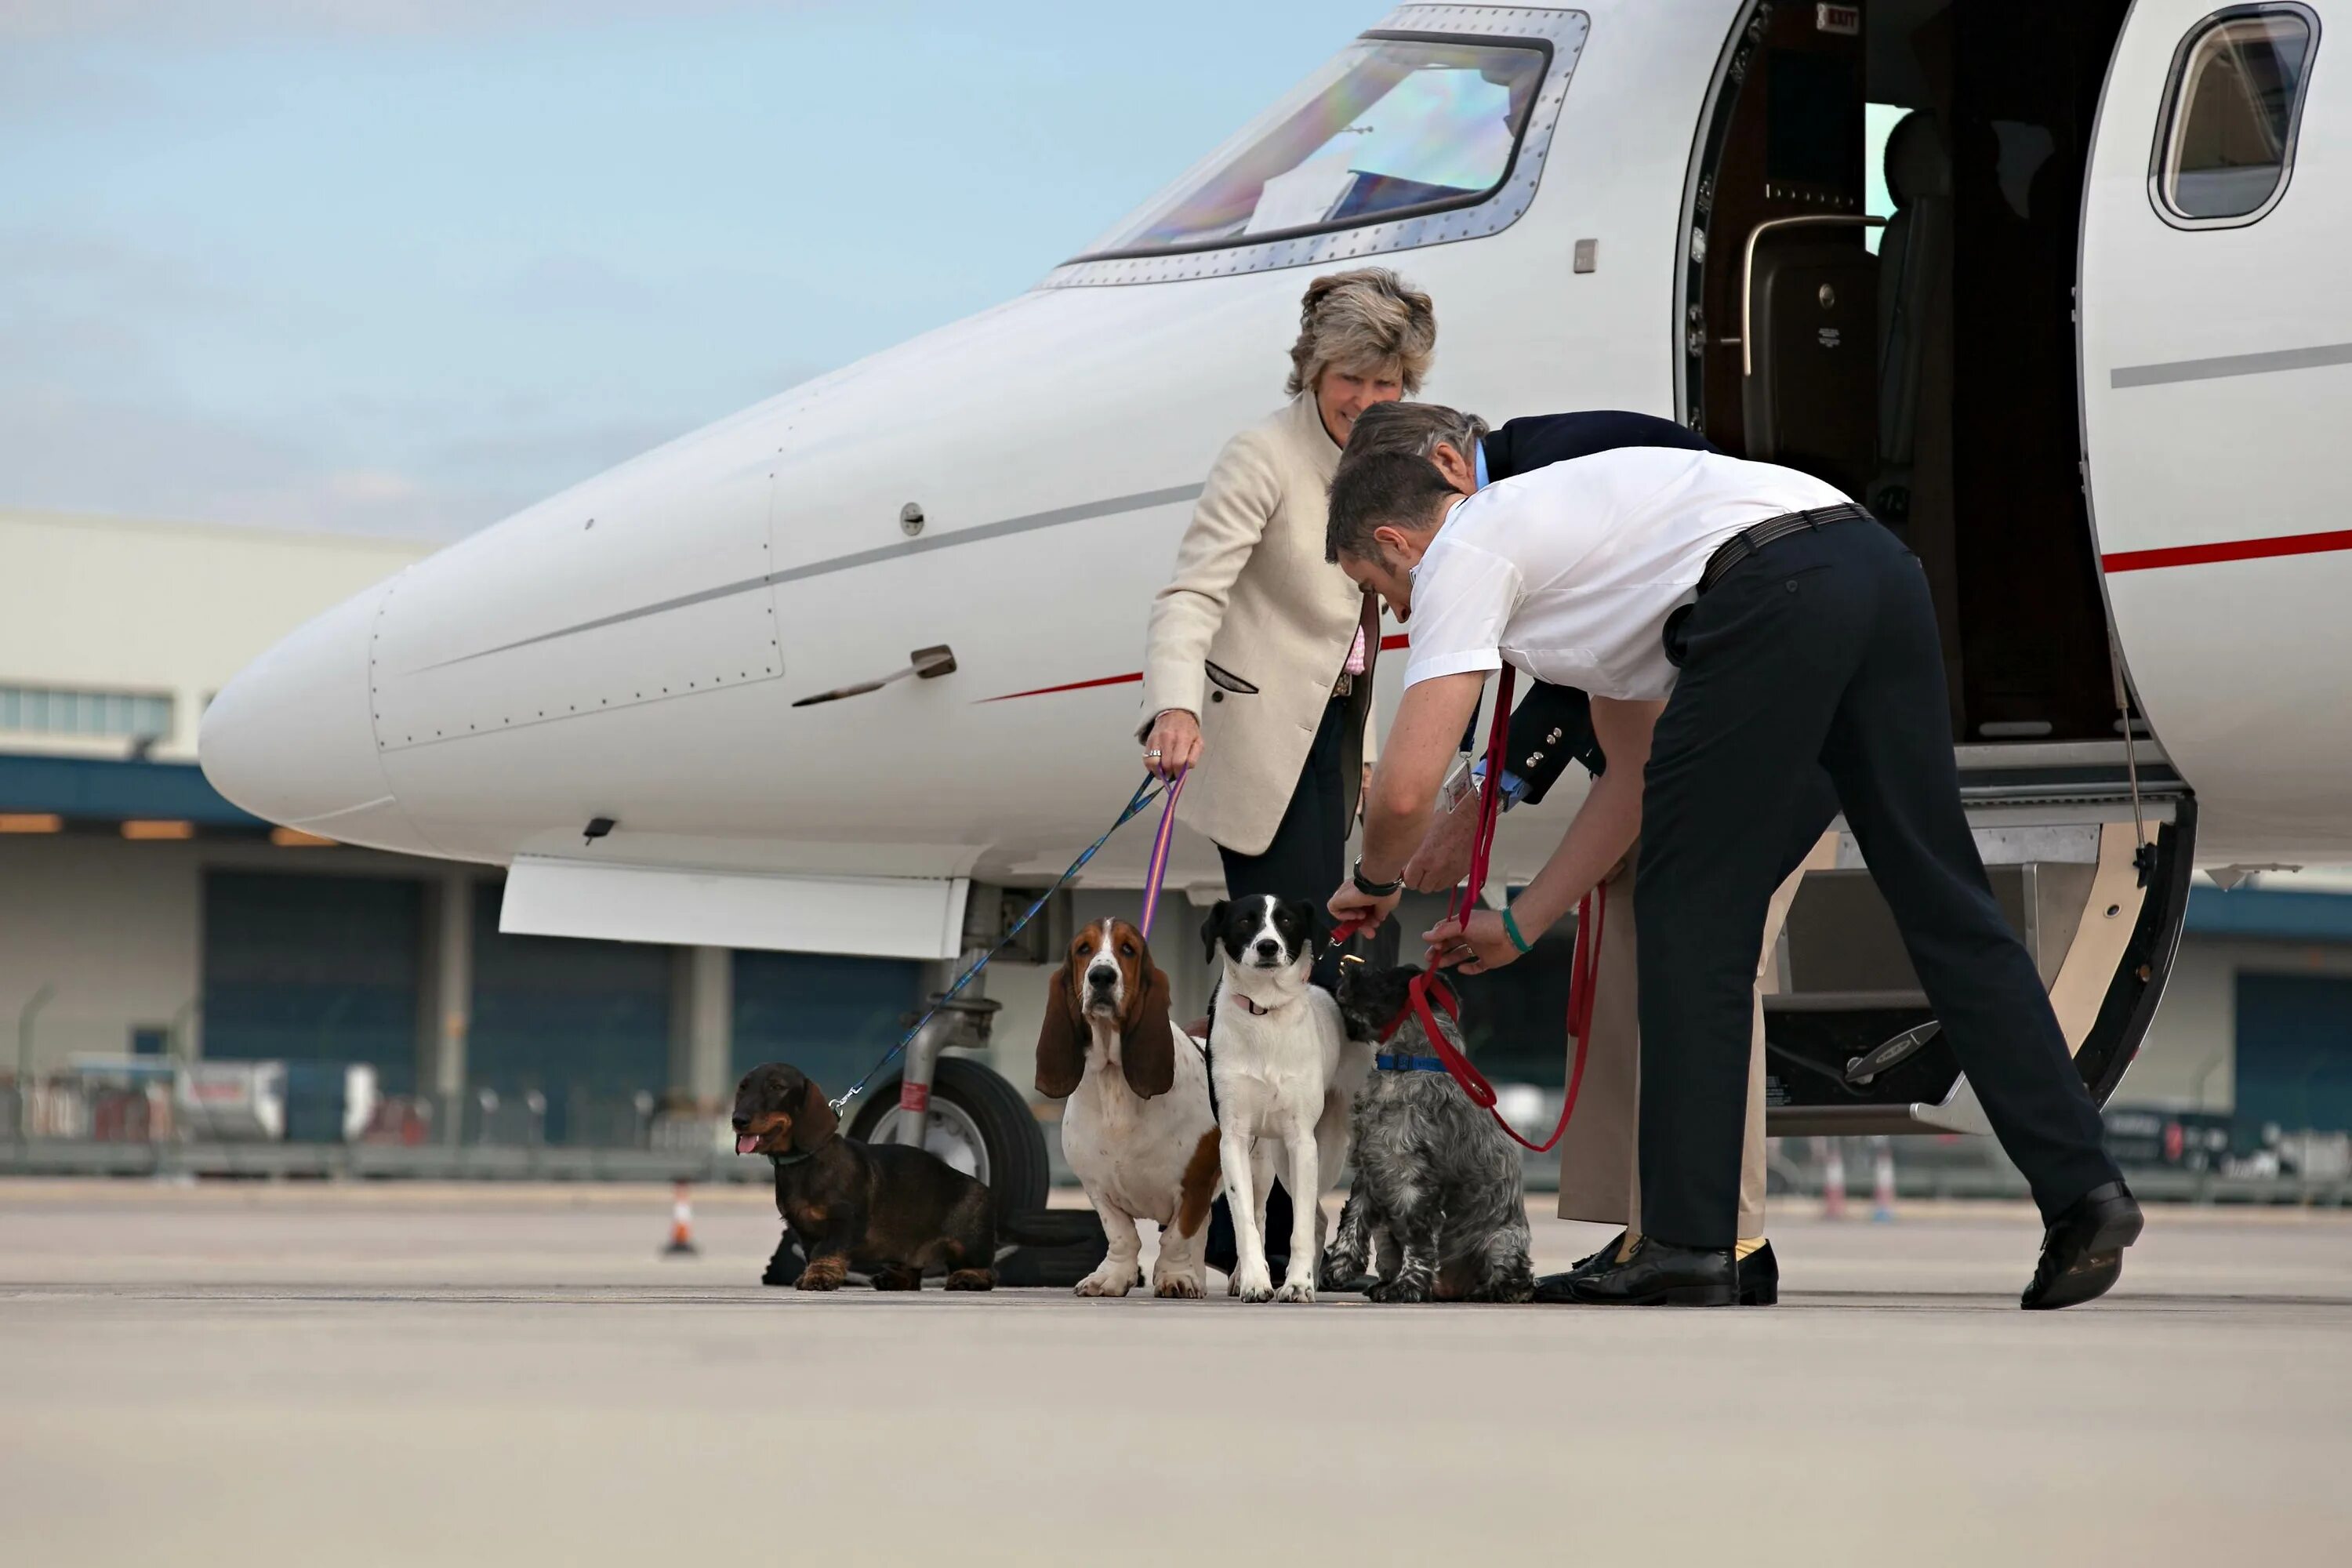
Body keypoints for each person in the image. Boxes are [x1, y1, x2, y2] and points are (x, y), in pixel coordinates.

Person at [1322, 445, 2142, 1310]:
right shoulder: (1578, 551)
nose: (1391, 608)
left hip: (1772, 592)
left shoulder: (1464, 548)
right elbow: (1632, 773)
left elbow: (1409, 788)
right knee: (1945, 903)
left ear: (1396, 540)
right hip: (1875, 567)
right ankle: (2084, 1189)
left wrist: (1374, 879)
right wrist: (1524, 922)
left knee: (1689, 917)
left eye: (1375, 587)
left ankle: (1691, 1241)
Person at [1333, 401, 1838, 1301]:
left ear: (1444, 469)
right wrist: (1518, 891)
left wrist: (1483, 796)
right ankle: (1655, 1222)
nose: (1400, 604)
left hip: (1748, 741)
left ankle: (1729, 1230)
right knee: (1622, 977)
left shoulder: (1574, 469)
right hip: (1650, 768)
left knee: (1707, 975)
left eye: (1386, 575)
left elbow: (1599, 646)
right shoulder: (1519, 498)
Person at [1137, 267, 1437, 1278]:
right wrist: (1174, 703)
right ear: (1313, 368)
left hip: (1346, 740)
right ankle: (1240, 1233)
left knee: (1344, 992)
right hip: (1269, 747)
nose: (1368, 397)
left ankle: (1309, 1226)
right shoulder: (1262, 456)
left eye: (1389, 380)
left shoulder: (1403, 451)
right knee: (1292, 991)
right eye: (1350, 375)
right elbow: (1190, 593)